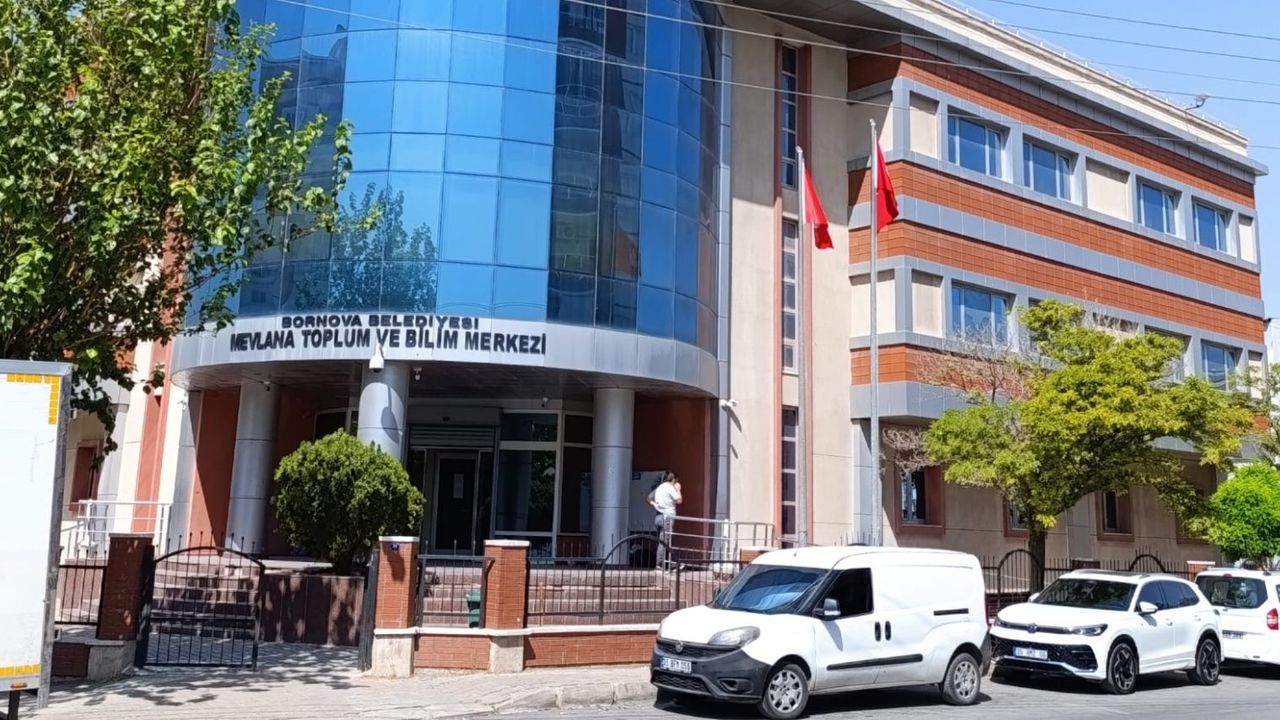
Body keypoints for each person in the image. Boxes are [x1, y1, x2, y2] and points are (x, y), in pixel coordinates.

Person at [649, 472, 682, 568]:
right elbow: (679, 500)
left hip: (658, 517)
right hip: (667, 517)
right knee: (664, 542)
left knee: (662, 541)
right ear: (674, 479)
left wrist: (655, 505)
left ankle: (666, 563)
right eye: (676, 481)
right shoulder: (670, 488)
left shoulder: (659, 488)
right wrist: (678, 489)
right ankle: (660, 564)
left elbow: (648, 498)